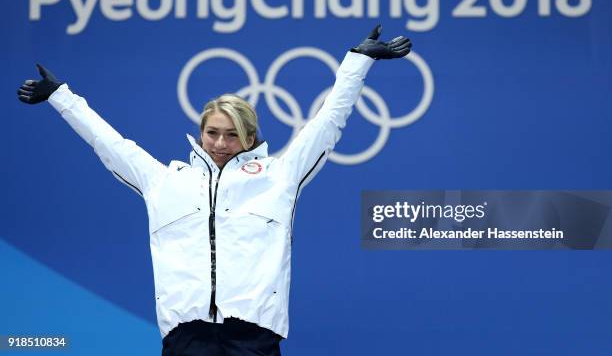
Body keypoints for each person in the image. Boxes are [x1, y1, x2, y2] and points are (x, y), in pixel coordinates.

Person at [17, 25, 411, 356]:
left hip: (254, 338)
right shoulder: (165, 181)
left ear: (250, 137)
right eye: (212, 133)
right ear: (200, 134)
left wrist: (357, 62)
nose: (220, 143)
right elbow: (110, 144)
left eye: (231, 135)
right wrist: (61, 98)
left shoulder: (280, 176)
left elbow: (328, 123)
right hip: (184, 339)